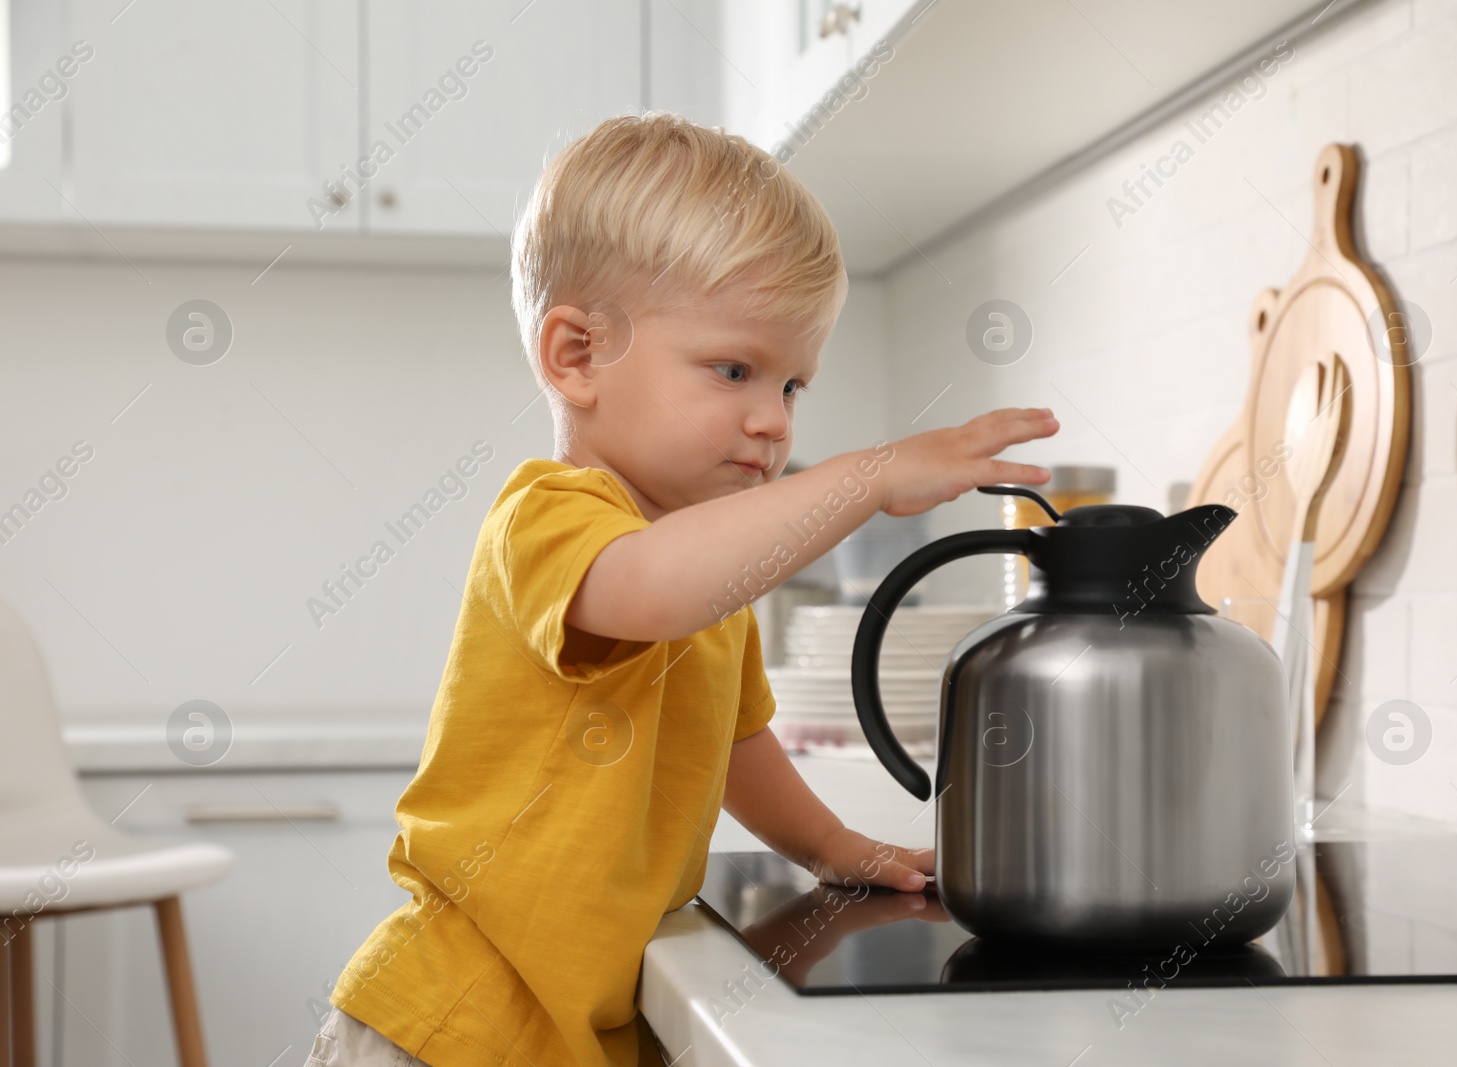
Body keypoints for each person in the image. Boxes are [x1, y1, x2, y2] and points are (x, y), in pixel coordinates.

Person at [306, 111, 1057, 1067]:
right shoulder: (548, 519)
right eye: (733, 369)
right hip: (454, 1023)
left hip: (578, 1028)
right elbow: (652, 592)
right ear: (576, 356)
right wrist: (867, 476)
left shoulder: (713, 581)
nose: (771, 421)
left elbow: (732, 742)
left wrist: (831, 847)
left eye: (792, 386)